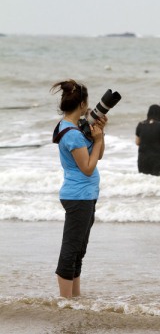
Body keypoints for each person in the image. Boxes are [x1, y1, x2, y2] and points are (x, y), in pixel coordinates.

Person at [51, 79, 107, 298]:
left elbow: (97, 155)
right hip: (78, 196)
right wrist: (99, 140)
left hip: (84, 195)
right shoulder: (73, 134)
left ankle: (75, 299)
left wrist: (99, 134)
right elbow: (87, 167)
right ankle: (65, 302)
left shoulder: (71, 127)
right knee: (71, 251)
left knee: (78, 251)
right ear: (83, 104)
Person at [135, 104, 160, 176]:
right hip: (157, 158)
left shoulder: (140, 124)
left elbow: (137, 142)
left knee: (144, 180)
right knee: (156, 181)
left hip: (142, 158)